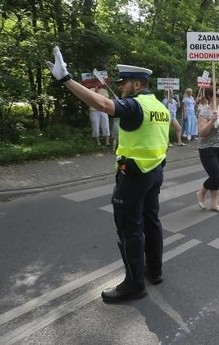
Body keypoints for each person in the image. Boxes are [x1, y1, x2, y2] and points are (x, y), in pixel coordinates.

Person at [46, 47, 169, 303]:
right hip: (155, 173)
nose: (121, 87)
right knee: (152, 223)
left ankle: (134, 285)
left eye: (124, 83)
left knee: (129, 230)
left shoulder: (136, 105)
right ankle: (154, 271)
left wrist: (66, 79)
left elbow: (101, 104)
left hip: (133, 176)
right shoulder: (159, 106)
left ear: (137, 84)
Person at [196, 88, 219, 213]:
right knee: (215, 174)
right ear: (210, 96)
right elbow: (202, 133)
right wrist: (212, 120)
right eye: (217, 94)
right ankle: (201, 193)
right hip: (207, 147)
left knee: (217, 176)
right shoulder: (204, 112)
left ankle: (214, 204)